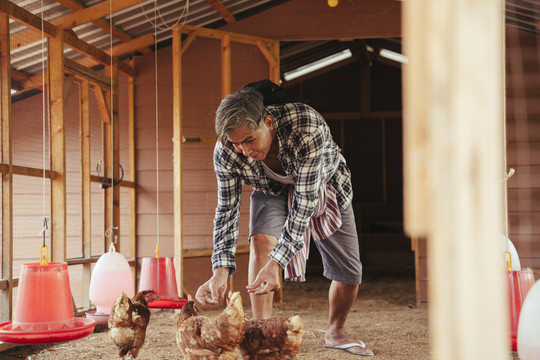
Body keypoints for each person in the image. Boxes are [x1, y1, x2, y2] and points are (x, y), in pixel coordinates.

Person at [195, 80, 374, 357]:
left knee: (349, 272)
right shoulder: (226, 152)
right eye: (236, 143)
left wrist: (278, 262)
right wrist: (220, 270)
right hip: (271, 189)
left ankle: (336, 332)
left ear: (267, 121)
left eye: (250, 140)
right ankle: (261, 335)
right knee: (261, 243)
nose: (244, 150)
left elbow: (305, 202)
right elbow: (227, 210)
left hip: (322, 185)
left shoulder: (307, 126)